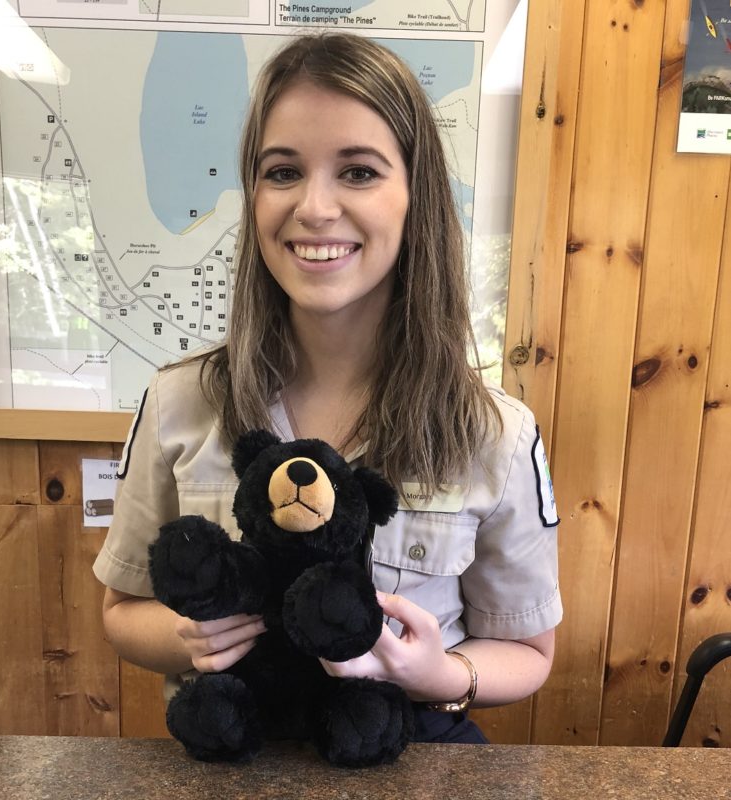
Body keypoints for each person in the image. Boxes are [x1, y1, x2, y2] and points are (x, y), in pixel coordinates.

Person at [94, 32, 562, 745]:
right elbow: (122, 608)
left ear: (415, 196)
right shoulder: (177, 402)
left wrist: (439, 676)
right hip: (229, 761)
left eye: (358, 172)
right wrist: (185, 637)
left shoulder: (495, 432)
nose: (313, 207)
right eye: (281, 172)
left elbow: (528, 654)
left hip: (405, 762)